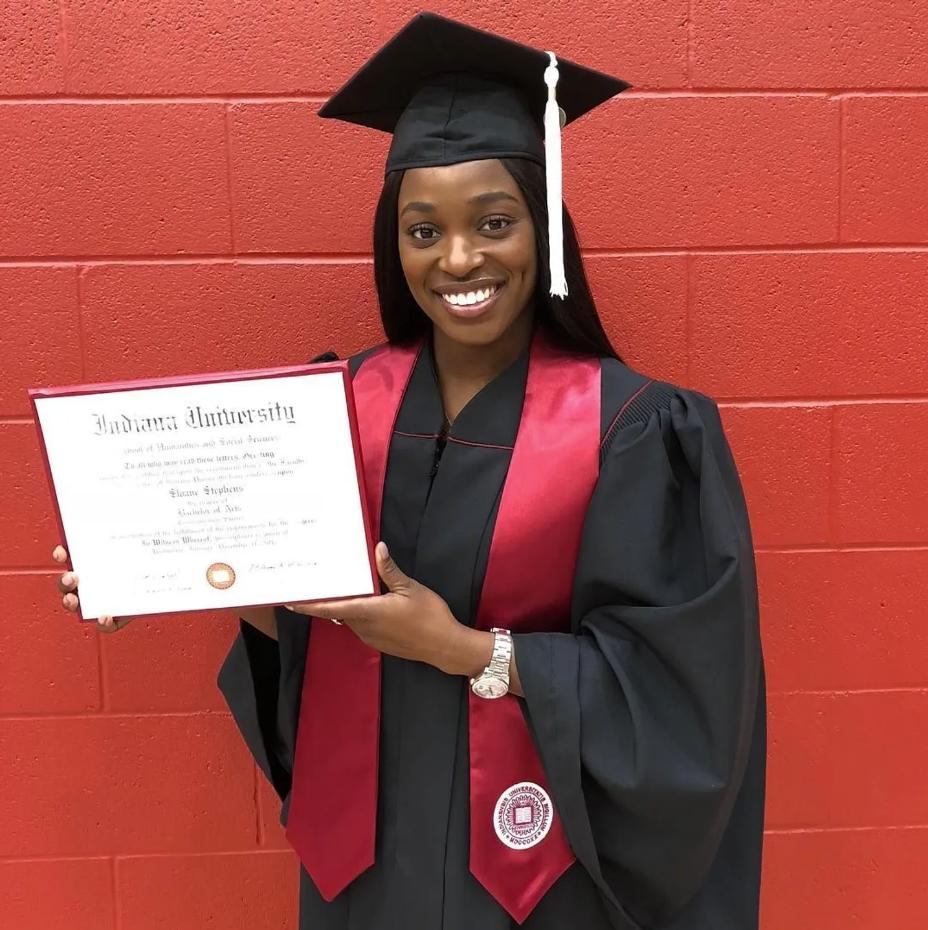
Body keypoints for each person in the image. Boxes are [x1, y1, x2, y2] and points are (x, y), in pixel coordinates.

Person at [53, 12, 766, 930]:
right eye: (423, 230)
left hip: (538, 870)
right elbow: (307, 620)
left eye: (495, 222)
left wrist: (464, 649)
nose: (459, 259)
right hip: (369, 869)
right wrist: (153, 569)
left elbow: (679, 694)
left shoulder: (631, 429)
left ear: (543, 229)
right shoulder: (337, 408)